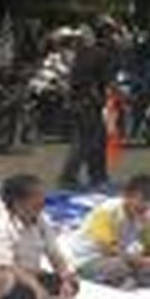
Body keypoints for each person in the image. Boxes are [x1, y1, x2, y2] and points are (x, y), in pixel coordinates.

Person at [0, 174, 80, 299]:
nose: (41, 201)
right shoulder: (0, 227)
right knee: (19, 291)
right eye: (35, 196)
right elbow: (9, 266)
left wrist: (65, 278)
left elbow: (54, 254)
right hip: (11, 280)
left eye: (41, 195)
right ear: (17, 202)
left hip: (34, 275)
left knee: (73, 283)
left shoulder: (41, 221)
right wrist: (37, 289)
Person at [66, 174, 150, 288]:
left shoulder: (145, 214)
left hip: (121, 257)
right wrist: (142, 261)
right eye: (142, 200)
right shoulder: (107, 211)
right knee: (120, 267)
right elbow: (111, 249)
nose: (145, 206)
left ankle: (131, 277)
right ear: (127, 196)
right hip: (89, 258)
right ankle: (125, 277)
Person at [59, 18, 119, 190]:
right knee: (84, 142)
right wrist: (123, 97)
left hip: (79, 101)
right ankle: (69, 178)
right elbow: (108, 82)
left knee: (97, 140)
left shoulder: (84, 51)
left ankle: (97, 175)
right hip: (88, 103)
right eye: (110, 33)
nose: (112, 36)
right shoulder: (102, 54)